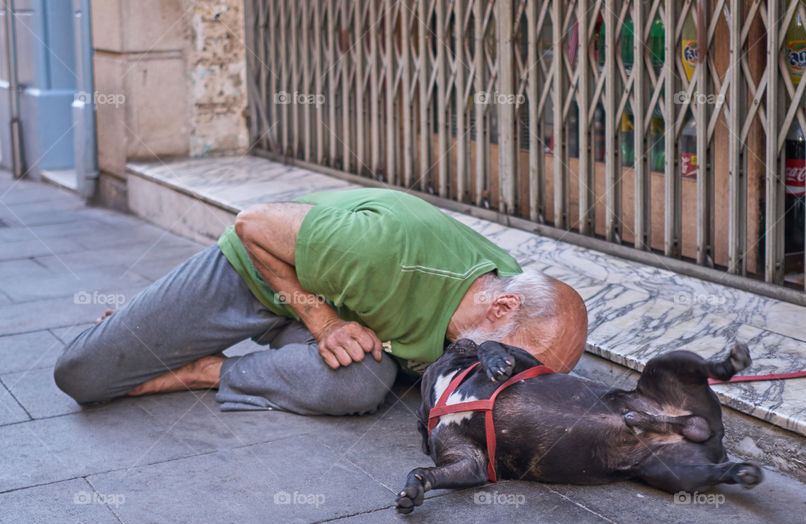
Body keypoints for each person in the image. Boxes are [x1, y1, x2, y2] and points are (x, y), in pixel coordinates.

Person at [54, 188, 589, 415]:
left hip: (345, 307)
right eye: (510, 364)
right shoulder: (384, 251)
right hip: (261, 276)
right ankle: (139, 322)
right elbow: (253, 224)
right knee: (84, 376)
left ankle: (204, 370)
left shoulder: (506, 289)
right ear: (499, 309)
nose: (506, 378)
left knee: (358, 384)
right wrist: (323, 321)